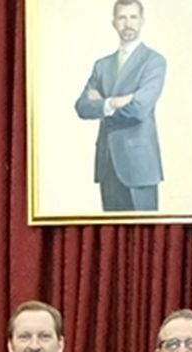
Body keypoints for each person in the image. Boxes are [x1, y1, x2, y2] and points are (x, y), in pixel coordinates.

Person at [74, 0, 166, 212]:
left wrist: (102, 105)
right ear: (114, 22)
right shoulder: (102, 66)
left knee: (145, 239)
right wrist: (113, 102)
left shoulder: (154, 61)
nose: (128, 24)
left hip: (140, 166)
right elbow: (81, 107)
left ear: (142, 21)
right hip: (107, 164)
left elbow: (140, 108)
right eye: (122, 18)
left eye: (133, 17)